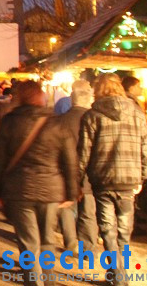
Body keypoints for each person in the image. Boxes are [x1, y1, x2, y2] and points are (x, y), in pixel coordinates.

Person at [0, 80, 78, 286]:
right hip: (50, 188)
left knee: (29, 243)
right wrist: (71, 192)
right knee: (48, 240)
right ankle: (48, 281)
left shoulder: (11, 121)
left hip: (20, 189)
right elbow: (70, 159)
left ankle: (34, 282)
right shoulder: (56, 122)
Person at [78, 74, 147, 286]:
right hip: (129, 179)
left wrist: (78, 179)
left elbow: (84, 152)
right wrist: (142, 177)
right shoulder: (137, 113)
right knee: (124, 228)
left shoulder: (92, 116)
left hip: (103, 179)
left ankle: (117, 274)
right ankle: (119, 272)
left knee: (108, 228)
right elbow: (145, 149)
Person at [57, 80, 96, 252]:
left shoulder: (61, 120)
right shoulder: (94, 120)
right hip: (89, 171)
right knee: (88, 210)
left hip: (66, 169)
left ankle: (71, 241)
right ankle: (88, 247)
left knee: (67, 206)